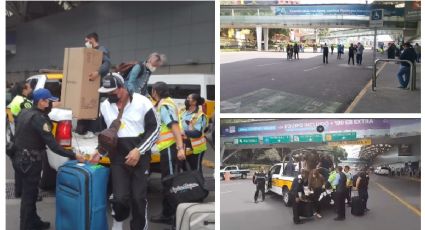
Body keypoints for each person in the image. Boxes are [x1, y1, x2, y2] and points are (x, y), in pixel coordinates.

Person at [92, 73, 160, 230]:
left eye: (113, 92)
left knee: (138, 198)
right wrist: (100, 151)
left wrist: (139, 151)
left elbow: (155, 130)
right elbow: (106, 133)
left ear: (122, 88)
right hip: (117, 158)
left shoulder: (143, 102)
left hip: (139, 157)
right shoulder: (105, 106)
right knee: (119, 197)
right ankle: (118, 220)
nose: (110, 95)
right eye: (106, 92)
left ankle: (139, 227)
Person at [13, 88, 84, 230]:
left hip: (19, 159)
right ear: (41, 102)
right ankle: (26, 226)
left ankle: (33, 222)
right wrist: (74, 155)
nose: (51, 104)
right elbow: (54, 146)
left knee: (30, 194)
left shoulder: (25, 112)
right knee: (29, 196)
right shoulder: (39, 119)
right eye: (49, 102)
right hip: (30, 162)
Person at [150, 81, 186, 225]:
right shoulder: (165, 103)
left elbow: (174, 127)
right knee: (168, 181)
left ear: (155, 92)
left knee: (169, 182)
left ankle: (170, 216)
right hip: (167, 148)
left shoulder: (165, 106)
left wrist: (180, 148)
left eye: (152, 91)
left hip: (170, 148)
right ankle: (169, 214)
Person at [76, 32, 112, 136]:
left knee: (92, 105)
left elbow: (107, 64)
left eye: (87, 41)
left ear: (92, 39)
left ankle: (92, 130)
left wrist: (97, 72)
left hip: (97, 84)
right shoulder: (89, 52)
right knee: (85, 104)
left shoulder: (101, 50)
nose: (86, 43)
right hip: (88, 84)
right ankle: (82, 129)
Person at [8, 81, 33, 198]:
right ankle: (25, 193)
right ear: (24, 89)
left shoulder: (15, 100)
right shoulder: (24, 102)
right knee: (26, 165)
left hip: (13, 136)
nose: (31, 89)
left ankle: (18, 191)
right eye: (29, 87)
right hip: (22, 137)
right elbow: (33, 115)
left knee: (18, 165)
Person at [180, 93, 208, 175]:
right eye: (187, 98)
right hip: (184, 145)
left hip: (196, 147)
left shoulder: (200, 116)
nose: (187, 100)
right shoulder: (183, 112)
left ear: (194, 102)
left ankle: (199, 185)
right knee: (184, 168)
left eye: (189, 98)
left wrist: (184, 132)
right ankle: (189, 185)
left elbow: (198, 133)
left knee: (195, 169)